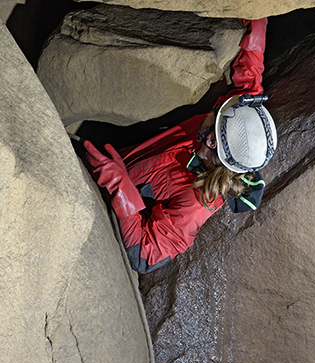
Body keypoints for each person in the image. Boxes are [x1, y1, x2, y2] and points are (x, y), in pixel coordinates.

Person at [83, 18, 277, 274]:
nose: (215, 111)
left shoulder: (198, 202)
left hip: (113, 191)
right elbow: (250, 81)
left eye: (215, 118)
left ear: (212, 142)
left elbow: (144, 257)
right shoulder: (232, 122)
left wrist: (121, 188)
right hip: (121, 158)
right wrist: (257, 20)